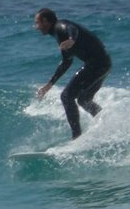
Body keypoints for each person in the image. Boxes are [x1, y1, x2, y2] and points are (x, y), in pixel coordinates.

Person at [33, 8, 112, 139]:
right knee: (83, 99)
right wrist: (49, 85)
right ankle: (108, 124)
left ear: (45, 21)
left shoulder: (61, 26)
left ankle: (76, 136)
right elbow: (66, 62)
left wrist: (72, 39)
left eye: (37, 23)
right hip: (103, 64)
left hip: (97, 65)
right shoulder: (59, 36)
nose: (36, 27)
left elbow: (72, 29)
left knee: (66, 96)